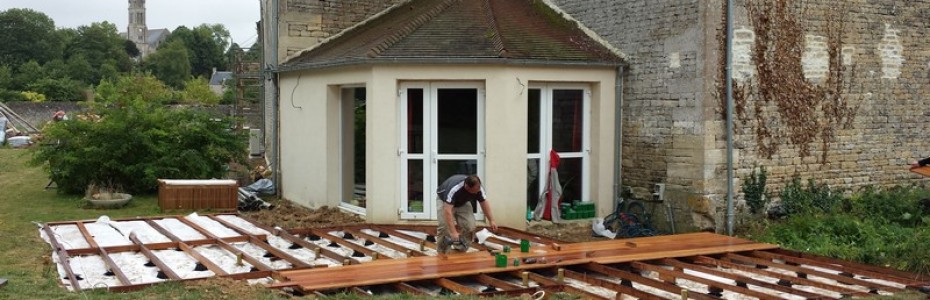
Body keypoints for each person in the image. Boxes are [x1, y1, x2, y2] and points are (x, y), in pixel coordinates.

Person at [435, 174, 497, 253]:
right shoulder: (454, 189)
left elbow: (483, 202)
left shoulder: (478, 189)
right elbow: (448, 211)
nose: (477, 193)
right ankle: (442, 252)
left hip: (463, 202)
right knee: (444, 227)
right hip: (444, 201)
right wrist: (453, 232)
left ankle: (460, 249)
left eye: (478, 190)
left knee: (470, 226)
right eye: (474, 192)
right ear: (467, 187)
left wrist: (491, 220)